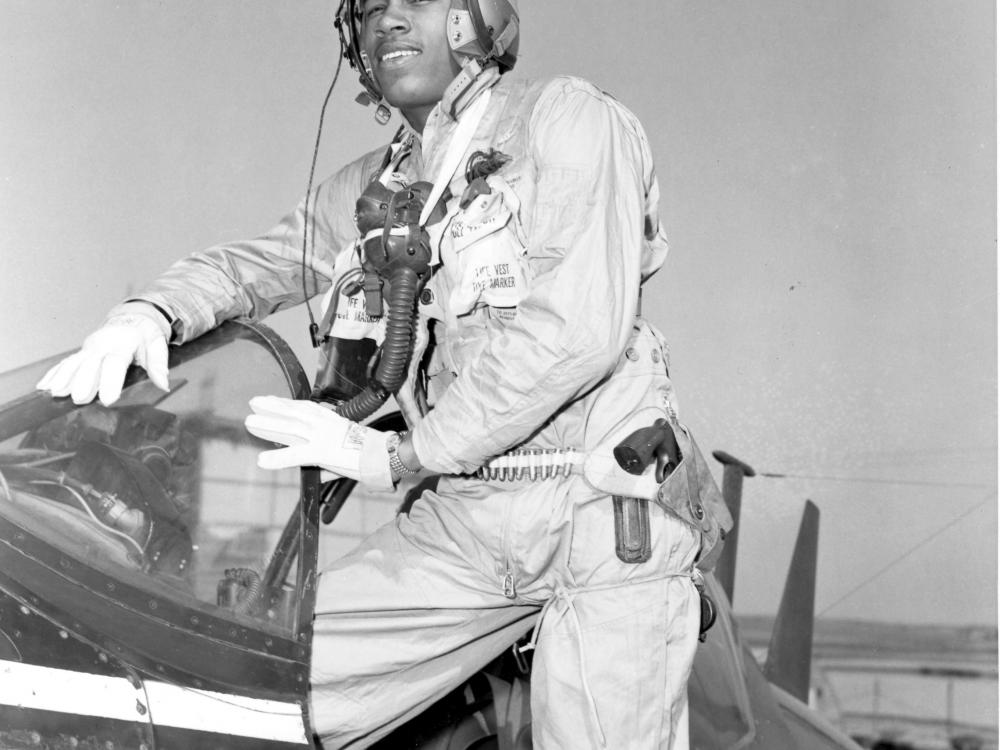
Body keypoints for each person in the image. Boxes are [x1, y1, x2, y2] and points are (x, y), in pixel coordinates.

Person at [37, 1, 730, 747]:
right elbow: (258, 264)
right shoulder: (380, 189)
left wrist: (397, 456)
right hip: (464, 515)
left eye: (418, 0)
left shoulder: (564, 121)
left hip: (605, 513)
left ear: (477, 19)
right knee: (239, 683)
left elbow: (575, 332)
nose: (388, 20)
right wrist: (149, 312)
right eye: (369, 10)